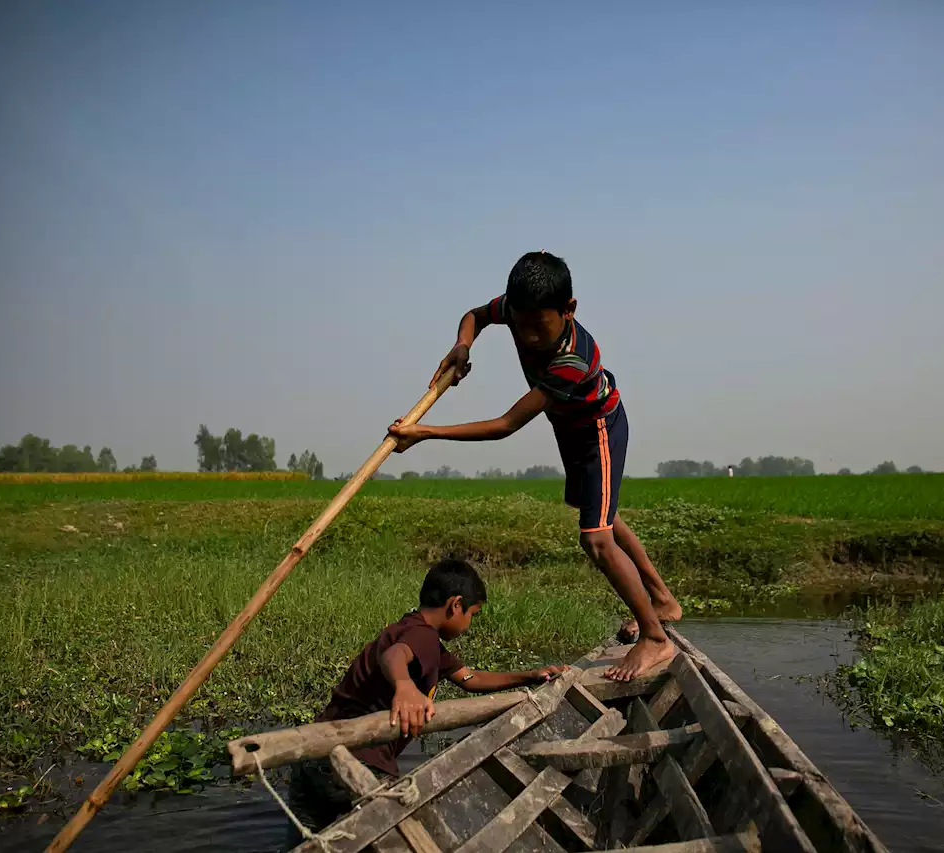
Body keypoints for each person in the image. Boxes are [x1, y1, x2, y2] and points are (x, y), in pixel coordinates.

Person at [387, 251, 682, 682]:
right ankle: (663, 600)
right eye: (519, 326)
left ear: (569, 310)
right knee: (601, 513)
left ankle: (655, 637)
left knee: (595, 538)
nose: (526, 337)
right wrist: (461, 346)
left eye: (538, 327)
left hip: (597, 426)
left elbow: (505, 425)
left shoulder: (572, 360)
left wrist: (426, 433)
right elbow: (475, 315)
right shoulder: (515, 307)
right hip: (568, 425)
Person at [285, 558, 568, 842]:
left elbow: (470, 679)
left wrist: (529, 675)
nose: (469, 624)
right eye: (472, 614)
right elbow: (393, 656)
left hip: (315, 754)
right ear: (455, 605)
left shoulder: (418, 633)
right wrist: (405, 686)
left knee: (306, 844)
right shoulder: (422, 638)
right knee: (401, 838)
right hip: (358, 762)